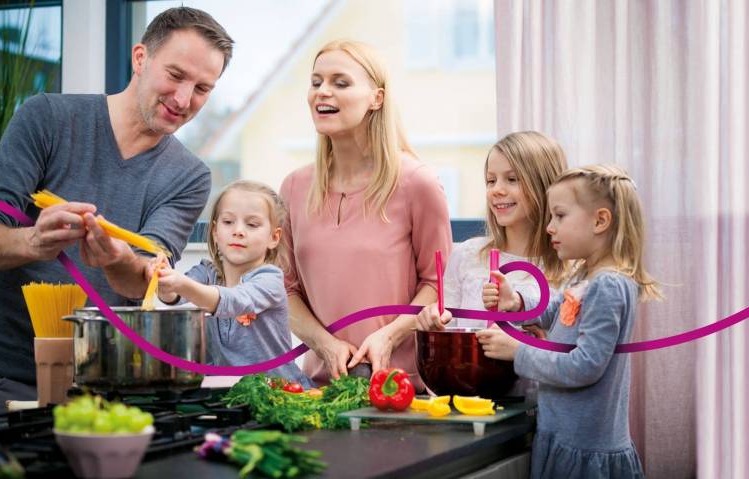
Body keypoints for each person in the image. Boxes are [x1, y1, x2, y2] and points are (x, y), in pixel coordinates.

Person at [0, 7, 233, 415]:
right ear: (139, 58)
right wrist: (33, 241)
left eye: (203, 88)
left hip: (104, 390)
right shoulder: (46, 118)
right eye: (176, 75)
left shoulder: (189, 176)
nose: (184, 99)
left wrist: (118, 259)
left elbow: (147, 279)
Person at [281, 39, 452, 388]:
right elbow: (284, 290)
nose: (322, 92)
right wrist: (324, 344)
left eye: (340, 83)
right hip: (318, 389)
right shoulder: (294, 188)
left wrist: (389, 336)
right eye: (316, 82)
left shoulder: (417, 182)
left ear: (377, 98)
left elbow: (439, 283)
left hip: (402, 389)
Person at [476, 164, 661, 478]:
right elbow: (554, 310)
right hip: (562, 438)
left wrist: (517, 352)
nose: (549, 227)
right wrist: (515, 302)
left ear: (600, 221)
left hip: (585, 455)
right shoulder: (584, 276)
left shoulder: (608, 285)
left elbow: (585, 366)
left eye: (559, 216)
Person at [147, 181, 309, 385]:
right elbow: (175, 296)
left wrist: (180, 284)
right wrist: (165, 281)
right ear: (215, 232)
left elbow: (235, 300)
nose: (238, 231)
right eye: (228, 222)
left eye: (252, 224)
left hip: (282, 393)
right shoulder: (206, 272)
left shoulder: (270, 279)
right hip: (230, 394)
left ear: (274, 237)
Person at [415, 131, 568, 332]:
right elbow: (448, 331)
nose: (496, 190)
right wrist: (433, 324)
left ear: (544, 185)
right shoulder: (466, 256)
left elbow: (573, 356)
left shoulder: (573, 272)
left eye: (512, 179)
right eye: (491, 181)